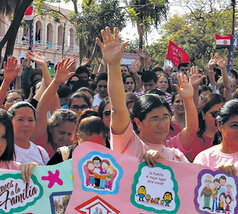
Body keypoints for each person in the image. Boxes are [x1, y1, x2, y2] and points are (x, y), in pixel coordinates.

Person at [97, 27, 197, 166]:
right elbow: (118, 108)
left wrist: (218, 172)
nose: (162, 124)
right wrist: (113, 65)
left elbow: (192, 180)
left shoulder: (176, 156)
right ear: (138, 122)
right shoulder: (128, 143)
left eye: (165, 117)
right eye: (155, 118)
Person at [194, 99, 238, 175]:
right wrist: (216, 173)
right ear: (219, 125)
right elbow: (195, 184)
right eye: (234, 125)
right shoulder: (205, 158)